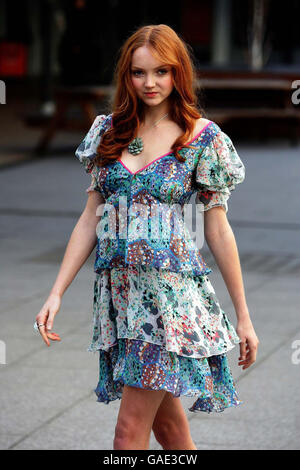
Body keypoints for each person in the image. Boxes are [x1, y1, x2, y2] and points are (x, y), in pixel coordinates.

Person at [35, 24, 259, 451]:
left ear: (178, 74)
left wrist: (243, 317)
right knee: (171, 434)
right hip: (121, 302)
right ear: (127, 75)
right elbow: (89, 220)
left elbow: (217, 229)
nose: (150, 83)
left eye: (161, 71)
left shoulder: (200, 138)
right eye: (139, 73)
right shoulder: (109, 130)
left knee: (126, 436)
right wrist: (56, 292)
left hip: (168, 308)